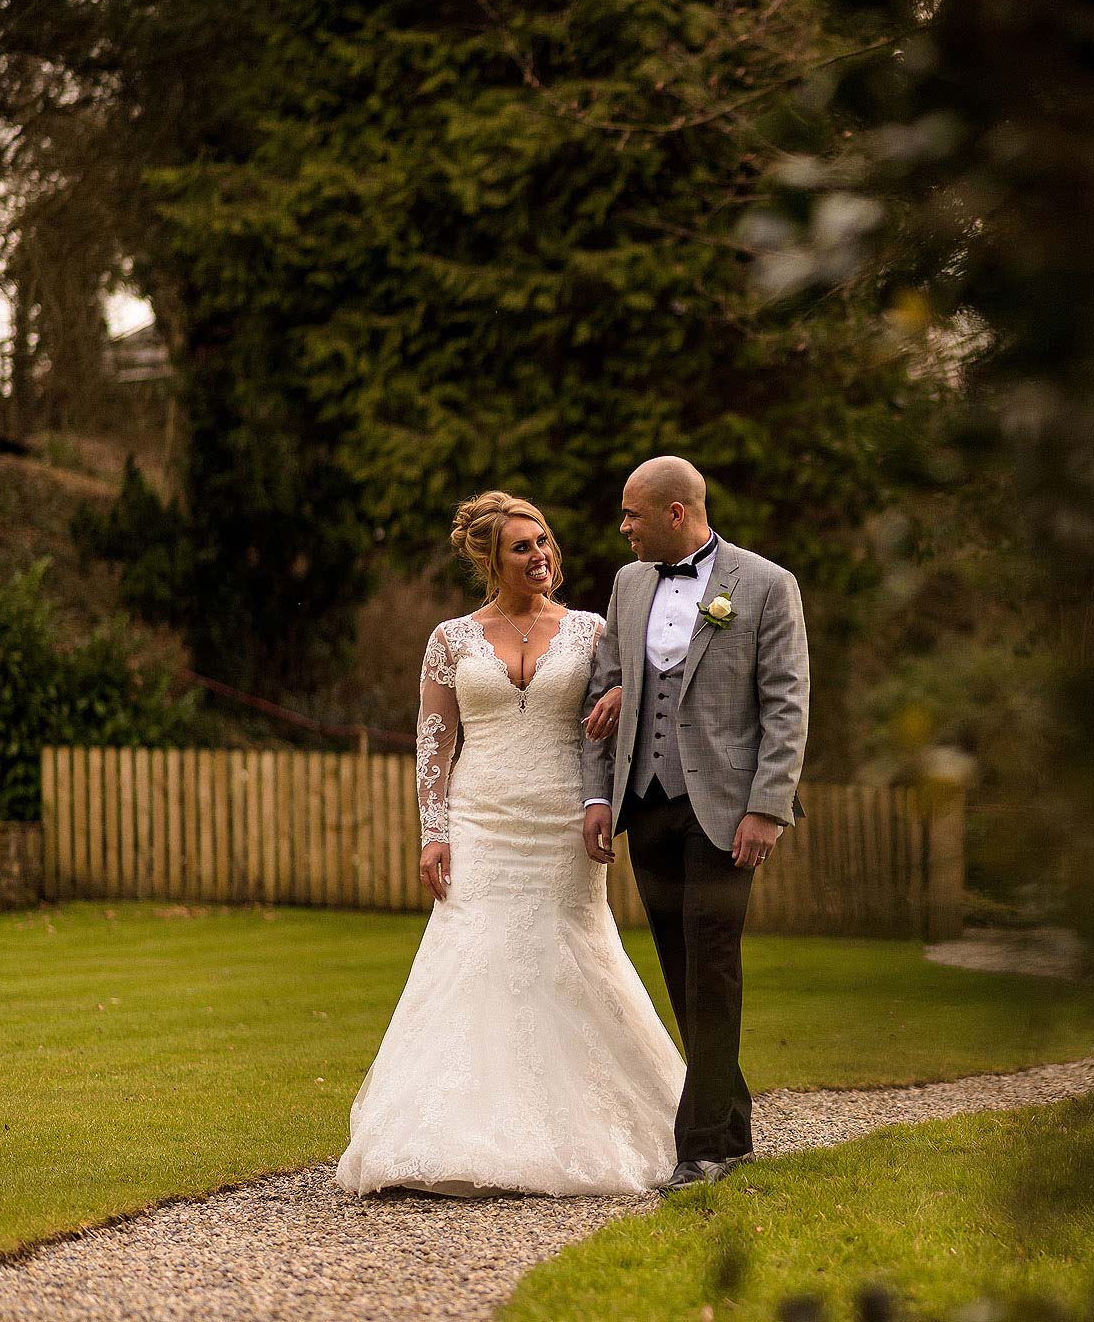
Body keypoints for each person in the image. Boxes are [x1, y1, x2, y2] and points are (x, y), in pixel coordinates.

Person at [335, 491, 685, 1197]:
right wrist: (434, 832)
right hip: (481, 819)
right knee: (472, 955)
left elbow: (635, 709)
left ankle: (600, 1127)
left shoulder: (591, 631)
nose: (540, 555)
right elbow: (434, 742)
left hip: (562, 818)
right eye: (522, 547)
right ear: (492, 560)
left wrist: (619, 717)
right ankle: (449, 1136)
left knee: (571, 954)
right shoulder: (450, 639)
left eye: (544, 541)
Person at [580, 456, 810, 1192]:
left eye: (631, 514)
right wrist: (597, 796)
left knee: (713, 963)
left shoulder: (766, 584)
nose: (623, 527)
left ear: (674, 513)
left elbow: (786, 706)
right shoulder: (628, 583)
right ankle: (732, 1128)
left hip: (726, 810)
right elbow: (605, 684)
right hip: (646, 801)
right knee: (682, 970)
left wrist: (767, 807)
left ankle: (702, 1146)